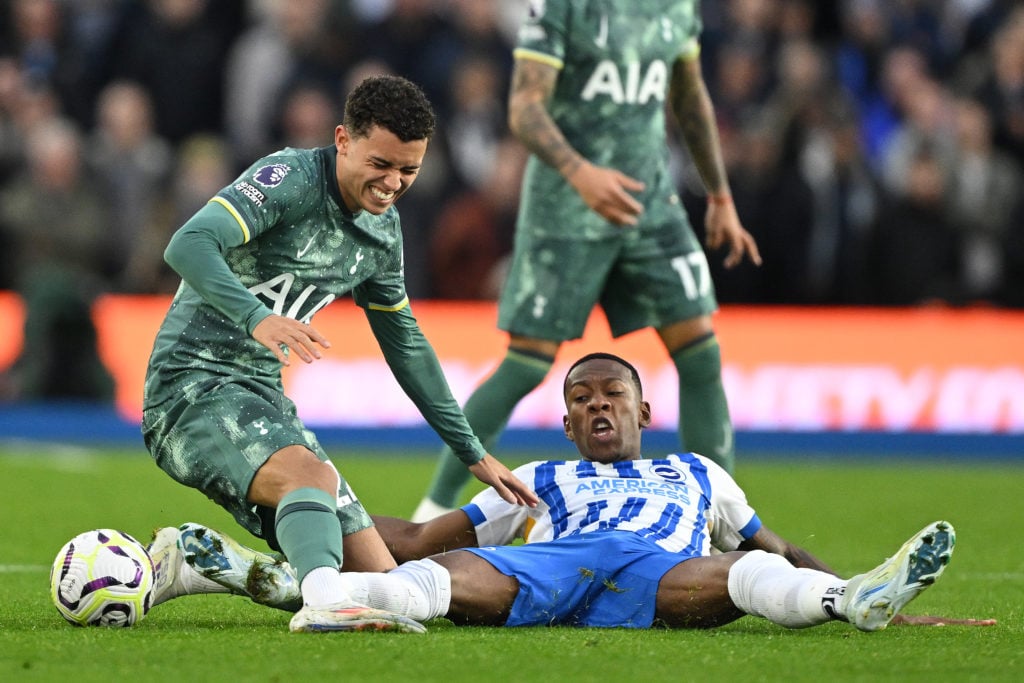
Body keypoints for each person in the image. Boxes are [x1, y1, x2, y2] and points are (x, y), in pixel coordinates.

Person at [151, 353, 995, 632]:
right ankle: (289, 584)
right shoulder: (541, 479)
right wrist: (326, 494)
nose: (597, 406)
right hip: (550, 565)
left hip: (657, 573)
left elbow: (777, 548)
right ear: (564, 423)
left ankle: (857, 602)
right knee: (432, 577)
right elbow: (424, 534)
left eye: (611, 396)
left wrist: (845, 581)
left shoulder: (702, 473)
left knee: (740, 575)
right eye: (581, 399)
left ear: (642, 410)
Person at [140, 75, 537, 635]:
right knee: (311, 477)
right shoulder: (288, 179)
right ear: (343, 139)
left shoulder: (383, 232)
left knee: (386, 584)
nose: (392, 183)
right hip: (191, 387)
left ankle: (207, 566)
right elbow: (188, 244)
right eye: (381, 164)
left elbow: (405, 344)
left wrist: (472, 452)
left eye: (409, 170)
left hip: (262, 397)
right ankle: (323, 606)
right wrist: (257, 318)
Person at [412, 0, 761, 521]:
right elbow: (525, 109)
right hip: (566, 208)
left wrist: (720, 195)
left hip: (648, 203)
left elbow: (689, 97)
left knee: (700, 352)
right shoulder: (559, 7)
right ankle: (433, 507)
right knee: (526, 363)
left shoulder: (676, 8)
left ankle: (721, 517)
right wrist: (581, 173)